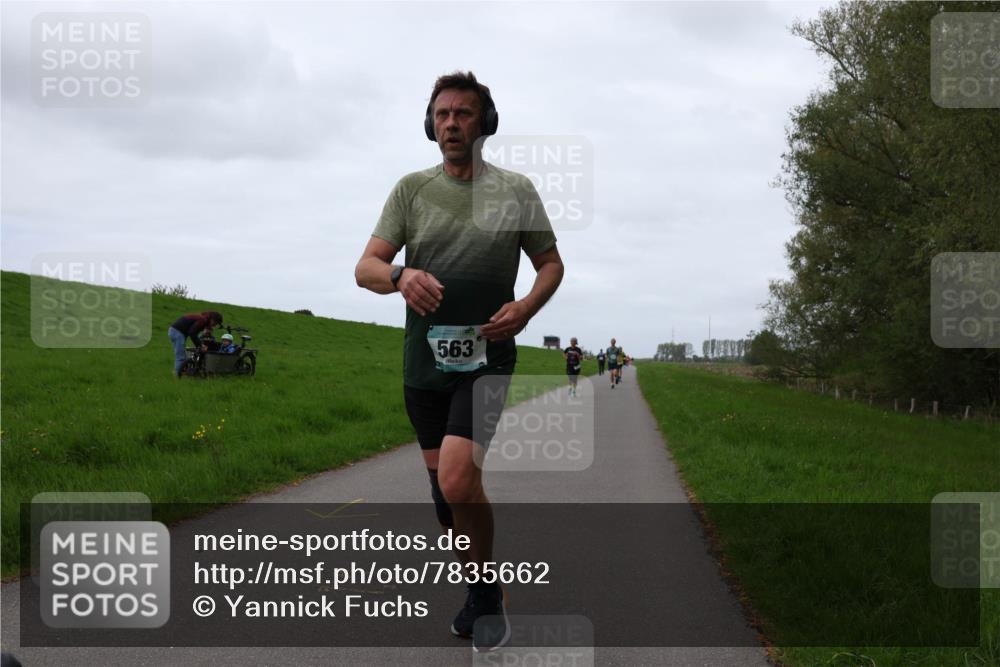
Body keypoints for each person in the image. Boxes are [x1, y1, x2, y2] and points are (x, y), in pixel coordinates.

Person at [354, 71, 563, 651]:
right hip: (424, 366)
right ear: (430, 124)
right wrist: (400, 275)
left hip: (488, 358)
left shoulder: (515, 190)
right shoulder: (411, 190)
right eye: (442, 114)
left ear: (484, 123)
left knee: (456, 475)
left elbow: (551, 264)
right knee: (447, 496)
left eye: (463, 114)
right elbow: (365, 268)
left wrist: (523, 308)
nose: (451, 123)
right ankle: (480, 588)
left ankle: (489, 596)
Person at [167, 311, 222, 377]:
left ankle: (182, 372)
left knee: (182, 355)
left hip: (176, 331)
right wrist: (200, 346)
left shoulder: (203, 318)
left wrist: (199, 345)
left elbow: (193, 333)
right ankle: (178, 375)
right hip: (177, 332)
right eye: (215, 323)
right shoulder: (202, 320)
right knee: (180, 356)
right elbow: (192, 333)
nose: (215, 325)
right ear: (212, 319)